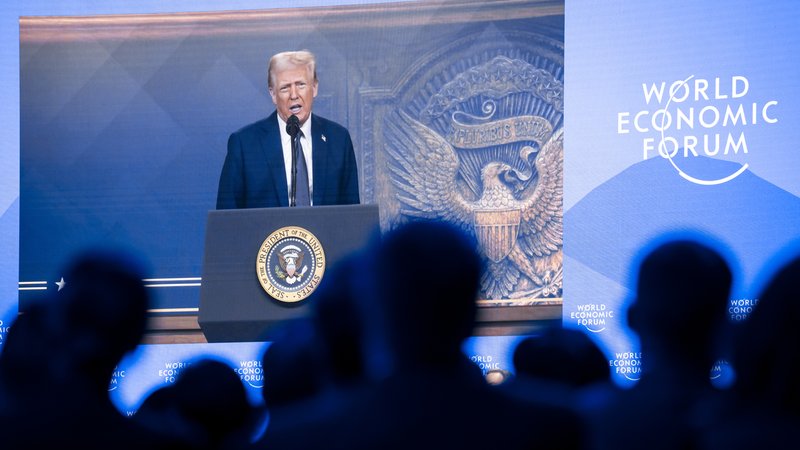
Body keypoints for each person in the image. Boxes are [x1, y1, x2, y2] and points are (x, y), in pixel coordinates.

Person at [216, 50, 360, 209]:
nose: (294, 95)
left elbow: (353, 217)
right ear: (272, 94)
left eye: (301, 85)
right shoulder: (245, 145)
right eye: (285, 88)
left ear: (314, 87)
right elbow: (226, 218)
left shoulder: (338, 140)